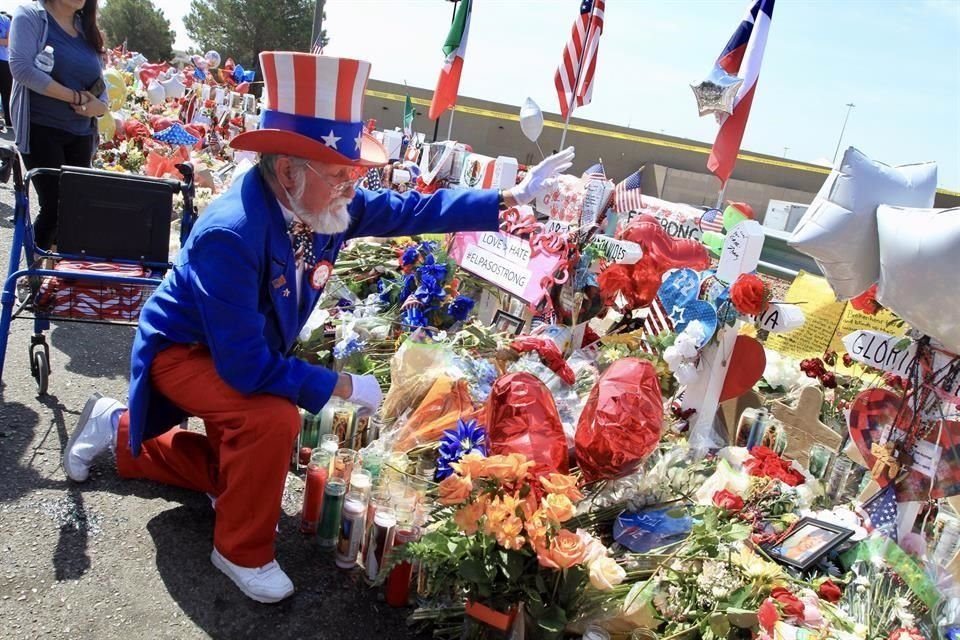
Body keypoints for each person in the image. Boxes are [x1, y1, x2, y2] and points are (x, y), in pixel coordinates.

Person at [61, 52, 574, 604]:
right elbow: (245, 367)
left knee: (242, 469)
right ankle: (239, 550)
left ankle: (116, 430)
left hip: (235, 346)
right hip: (186, 351)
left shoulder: (319, 199)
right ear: (287, 171)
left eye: (354, 172)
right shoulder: (231, 233)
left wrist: (506, 198)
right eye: (340, 174)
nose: (353, 188)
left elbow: (408, 209)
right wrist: (342, 386)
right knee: (272, 419)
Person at [9, 0, 107, 250]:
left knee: (74, 210)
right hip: (41, 127)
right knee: (54, 206)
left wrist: (100, 106)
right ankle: (33, 274)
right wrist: (74, 97)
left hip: (81, 132)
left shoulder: (86, 29)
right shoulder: (31, 15)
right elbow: (21, 68)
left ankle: (58, 274)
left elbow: (100, 82)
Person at [0, 12, 12, 131]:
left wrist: (4, 41)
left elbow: (9, 41)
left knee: (7, 92)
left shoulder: (5, 20)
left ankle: (9, 121)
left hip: (4, 61)